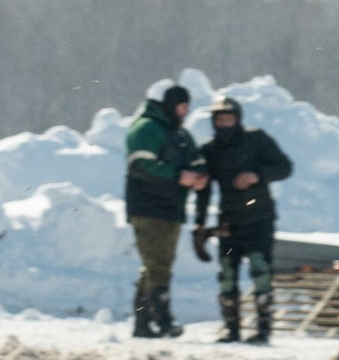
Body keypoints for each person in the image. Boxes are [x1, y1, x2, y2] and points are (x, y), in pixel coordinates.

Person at [193, 93, 295, 345]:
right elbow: (203, 189)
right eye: (220, 120)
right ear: (214, 122)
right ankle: (231, 328)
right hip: (228, 219)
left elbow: (284, 167)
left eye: (229, 119)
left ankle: (263, 329)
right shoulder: (209, 149)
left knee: (260, 271)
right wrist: (199, 222)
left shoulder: (256, 139)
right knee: (227, 274)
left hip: (259, 216)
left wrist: (257, 175)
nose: (225, 124)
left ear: (238, 119)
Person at [124, 82, 204, 339]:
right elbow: (142, 166)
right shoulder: (146, 129)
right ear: (169, 105)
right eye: (182, 106)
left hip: (171, 207)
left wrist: (199, 175)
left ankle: (142, 321)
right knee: (158, 265)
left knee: (157, 265)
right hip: (147, 207)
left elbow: (196, 159)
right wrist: (177, 176)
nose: (185, 111)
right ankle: (163, 319)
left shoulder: (180, 134)